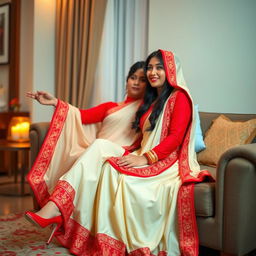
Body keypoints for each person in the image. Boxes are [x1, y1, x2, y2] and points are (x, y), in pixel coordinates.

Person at [25, 50, 212, 256]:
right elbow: (138, 136)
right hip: (141, 152)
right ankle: (57, 205)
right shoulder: (154, 102)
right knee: (99, 146)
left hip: (164, 162)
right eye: (149, 67)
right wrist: (54, 102)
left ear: (171, 70)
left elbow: (175, 138)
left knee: (106, 165)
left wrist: (144, 158)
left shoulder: (180, 97)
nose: (152, 72)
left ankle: (57, 210)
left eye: (159, 67)